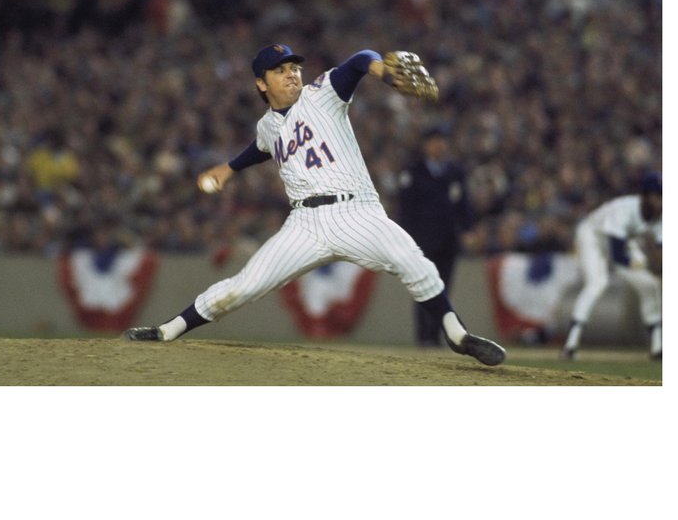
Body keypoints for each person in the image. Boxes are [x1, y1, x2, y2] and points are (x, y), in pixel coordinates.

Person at [124, 44, 506, 367]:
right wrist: (229, 168)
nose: (291, 74)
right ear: (261, 83)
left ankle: (457, 335)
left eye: (294, 68)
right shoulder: (267, 127)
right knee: (242, 287)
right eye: (279, 71)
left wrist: (381, 71)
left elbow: (359, 59)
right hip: (304, 223)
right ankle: (167, 330)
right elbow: (259, 149)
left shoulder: (322, 93)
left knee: (413, 261)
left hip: (355, 212)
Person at [561, 172, 662, 360]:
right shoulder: (624, 208)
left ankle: (657, 347)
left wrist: (657, 268)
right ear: (646, 195)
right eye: (658, 196)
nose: (662, 201)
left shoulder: (661, 217)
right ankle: (570, 344)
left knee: (650, 285)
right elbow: (617, 255)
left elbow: (660, 250)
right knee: (597, 283)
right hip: (593, 237)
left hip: (625, 243)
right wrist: (644, 264)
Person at [397, 125, 473, 346]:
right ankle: (424, 337)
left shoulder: (455, 172)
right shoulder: (414, 172)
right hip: (422, 242)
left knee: (443, 288)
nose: (439, 145)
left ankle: (438, 336)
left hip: (448, 241)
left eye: (442, 140)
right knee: (423, 287)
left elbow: (464, 205)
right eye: (435, 140)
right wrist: (406, 238)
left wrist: (467, 229)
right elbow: (406, 209)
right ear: (426, 145)